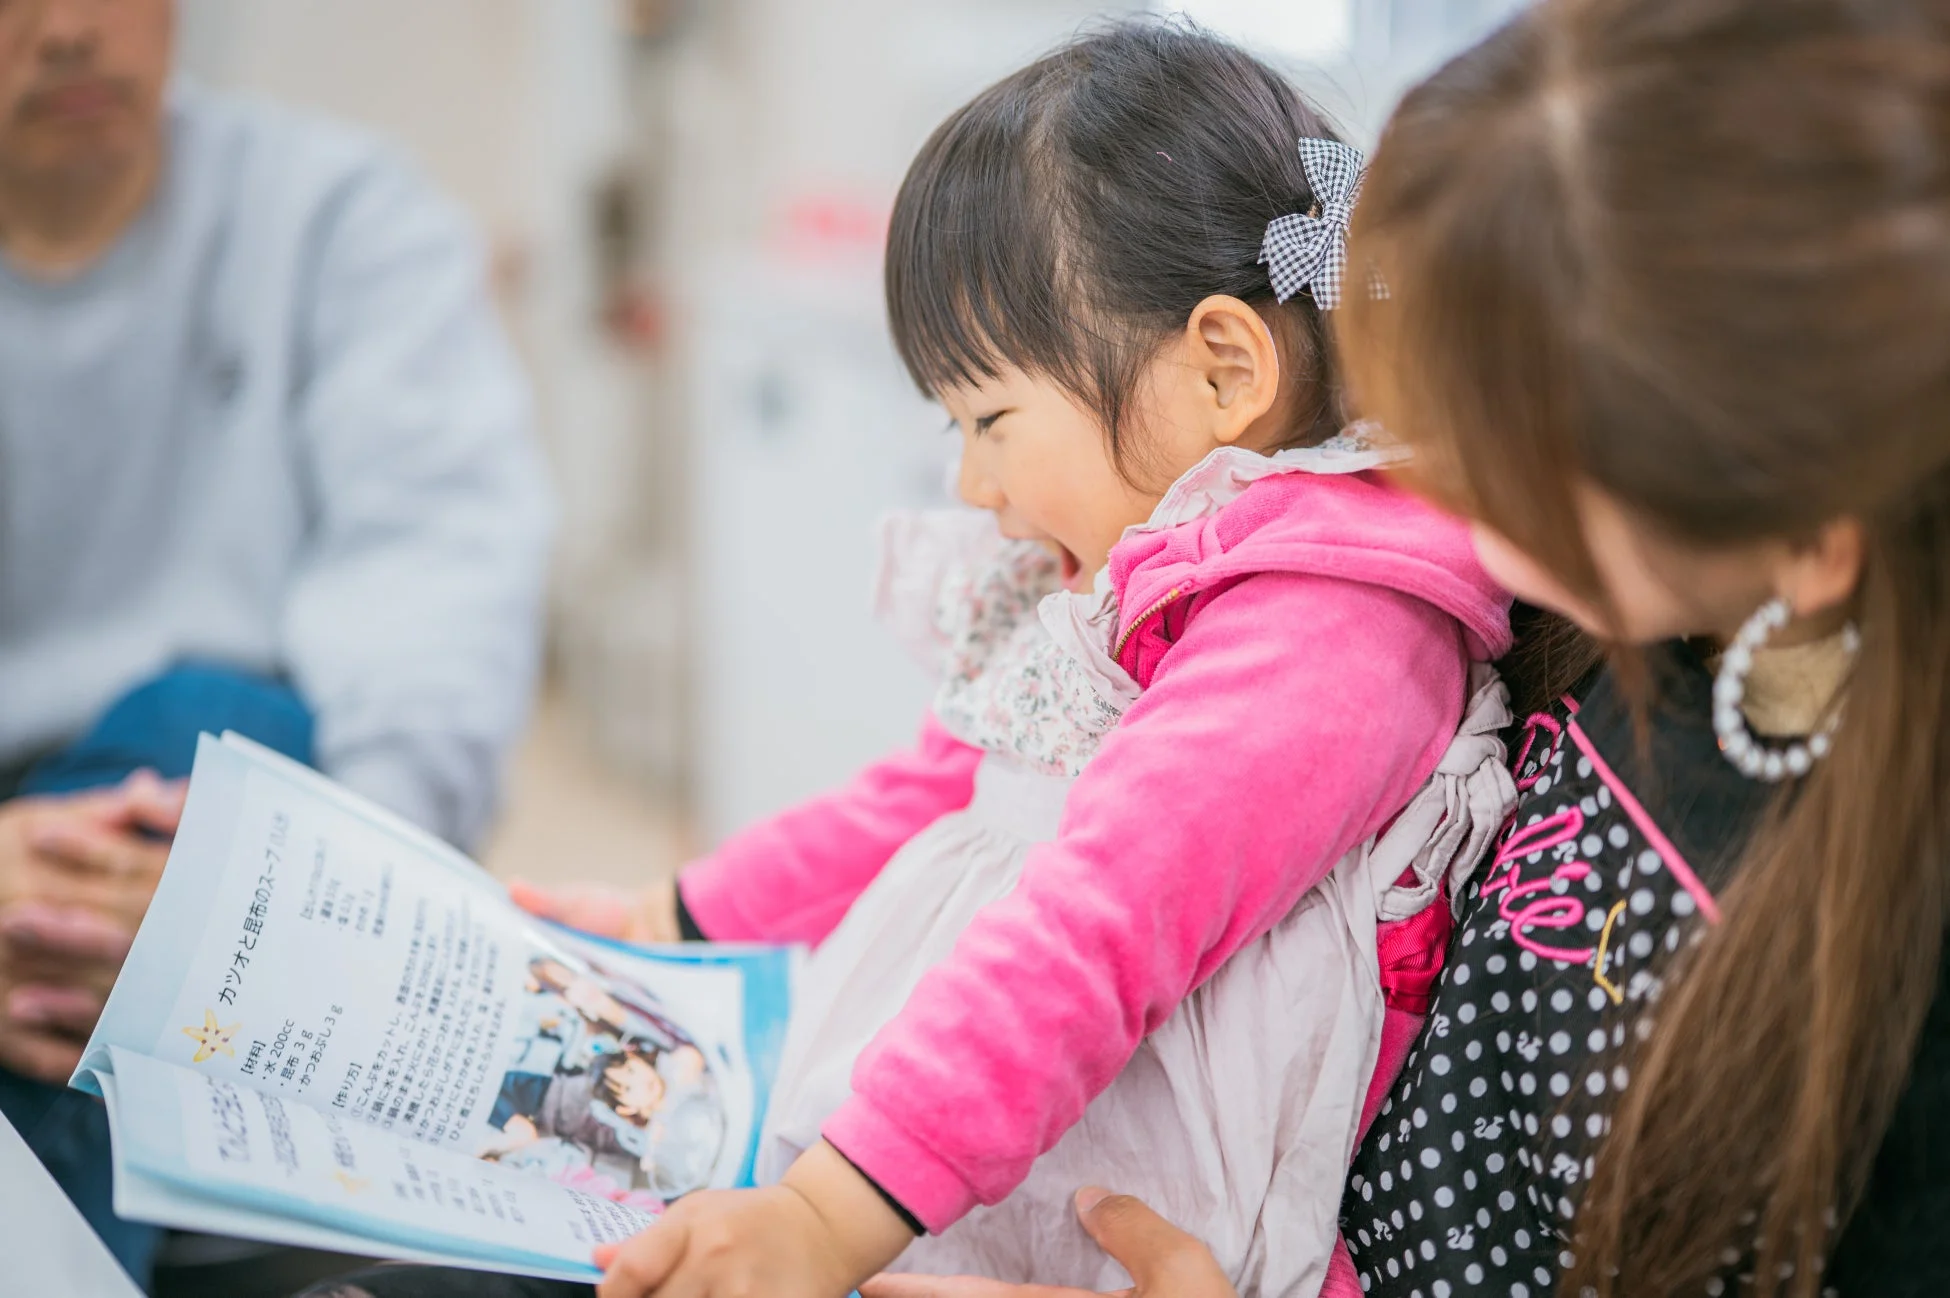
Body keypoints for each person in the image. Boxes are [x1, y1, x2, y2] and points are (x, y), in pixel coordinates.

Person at [861, 1, 1950, 1296]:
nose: (1417, 487)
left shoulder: (1888, 963)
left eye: (1497, 453)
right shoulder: (1605, 618)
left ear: (1801, 534)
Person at [499, 22, 1519, 1298]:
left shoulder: (1331, 624)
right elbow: (931, 788)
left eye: (989, 417)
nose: (971, 484)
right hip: (953, 1160)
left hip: (1114, 1216)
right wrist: (673, 917)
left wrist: (825, 1218)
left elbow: (1100, 924)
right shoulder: (1130, 565)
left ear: (1223, 370)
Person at [0, 0, 552, 1281]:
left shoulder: (336, 215)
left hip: (233, 826)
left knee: (207, 724)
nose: (71, 30)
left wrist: (346, 921)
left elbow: (435, 568)